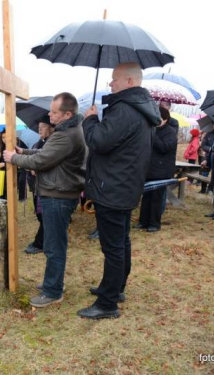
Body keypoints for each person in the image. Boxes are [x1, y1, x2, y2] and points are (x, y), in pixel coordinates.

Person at [79, 62, 160, 319]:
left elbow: (100, 141)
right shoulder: (139, 109)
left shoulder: (125, 109)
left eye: (114, 80)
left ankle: (107, 304)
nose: (110, 84)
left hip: (113, 187)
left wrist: (90, 120)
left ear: (129, 82)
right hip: (124, 185)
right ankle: (114, 288)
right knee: (120, 241)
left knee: (113, 246)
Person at [3, 92, 86, 308]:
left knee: (54, 246)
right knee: (54, 243)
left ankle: (53, 291)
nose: (49, 114)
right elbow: (46, 152)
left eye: (54, 111)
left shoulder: (65, 135)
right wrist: (24, 151)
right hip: (59, 193)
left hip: (58, 195)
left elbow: (42, 160)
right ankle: (54, 282)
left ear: (68, 113)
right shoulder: (67, 131)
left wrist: (15, 158)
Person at [135, 107, 177, 232]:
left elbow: (164, 147)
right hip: (148, 169)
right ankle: (143, 221)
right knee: (146, 196)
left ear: (165, 120)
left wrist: (153, 135)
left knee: (156, 198)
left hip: (161, 171)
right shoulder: (151, 130)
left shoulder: (170, 132)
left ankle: (154, 223)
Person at [24, 114, 56, 255]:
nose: (40, 130)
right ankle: (43, 241)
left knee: (45, 216)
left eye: (43, 127)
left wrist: (33, 165)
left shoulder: (54, 142)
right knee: (41, 215)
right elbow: (36, 155)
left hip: (50, 186)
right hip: (39, 185)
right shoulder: (42, 142)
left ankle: (41, 242)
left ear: (51, 127)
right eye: (39, 128)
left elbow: (46, 160)